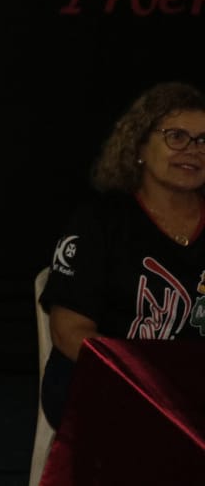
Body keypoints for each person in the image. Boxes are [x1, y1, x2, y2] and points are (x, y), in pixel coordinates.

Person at [39, 81, 205, 429]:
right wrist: (146, 377)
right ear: (139, 145)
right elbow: (69, 331)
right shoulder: (99, 222)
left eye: (204, 140)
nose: (193, 150)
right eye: (176, 136)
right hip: (109, 377)